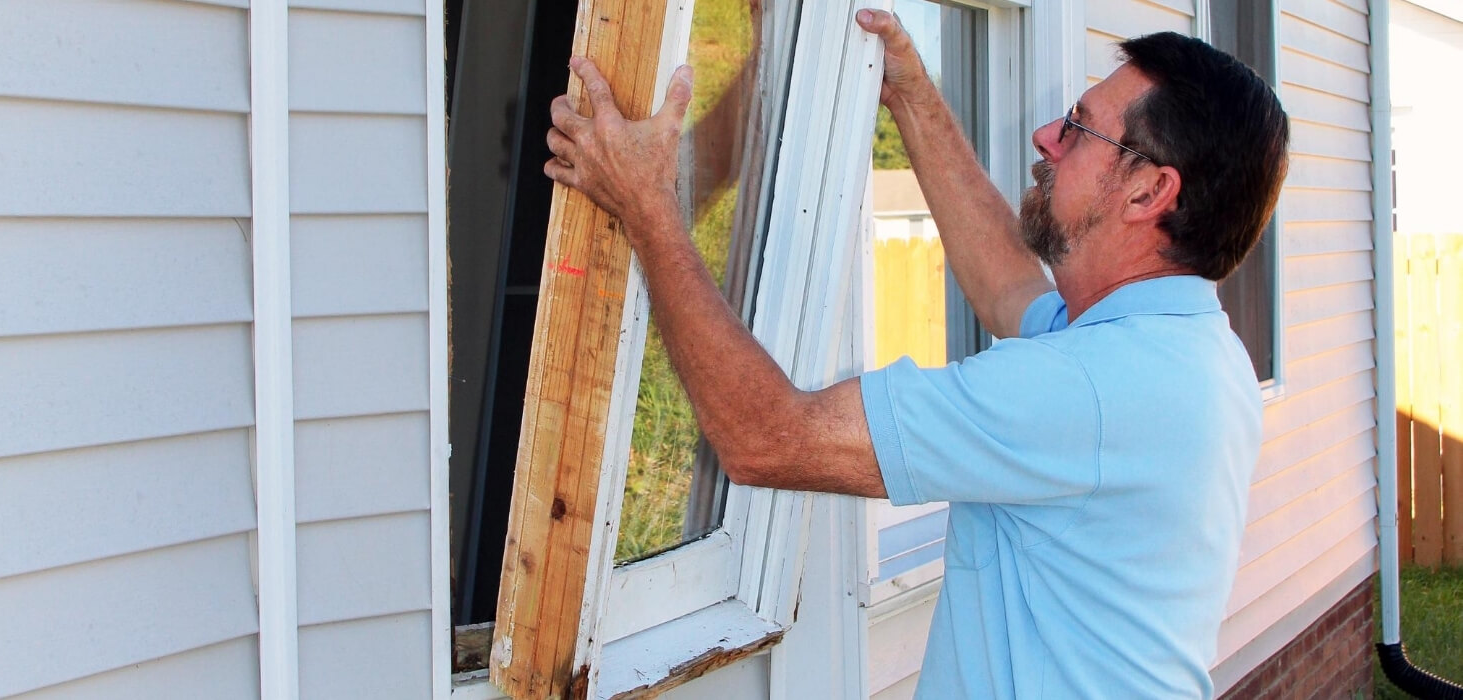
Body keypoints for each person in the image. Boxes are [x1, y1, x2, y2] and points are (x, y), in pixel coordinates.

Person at [542, 8, 1288, 698]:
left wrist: (648, 205)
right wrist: (913, 94)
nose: (1046, 138)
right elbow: (1008, 291)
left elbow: (765, 437)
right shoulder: (1185, 352)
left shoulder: (1087, 388)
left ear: (1147, 192)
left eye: (1078, 129)